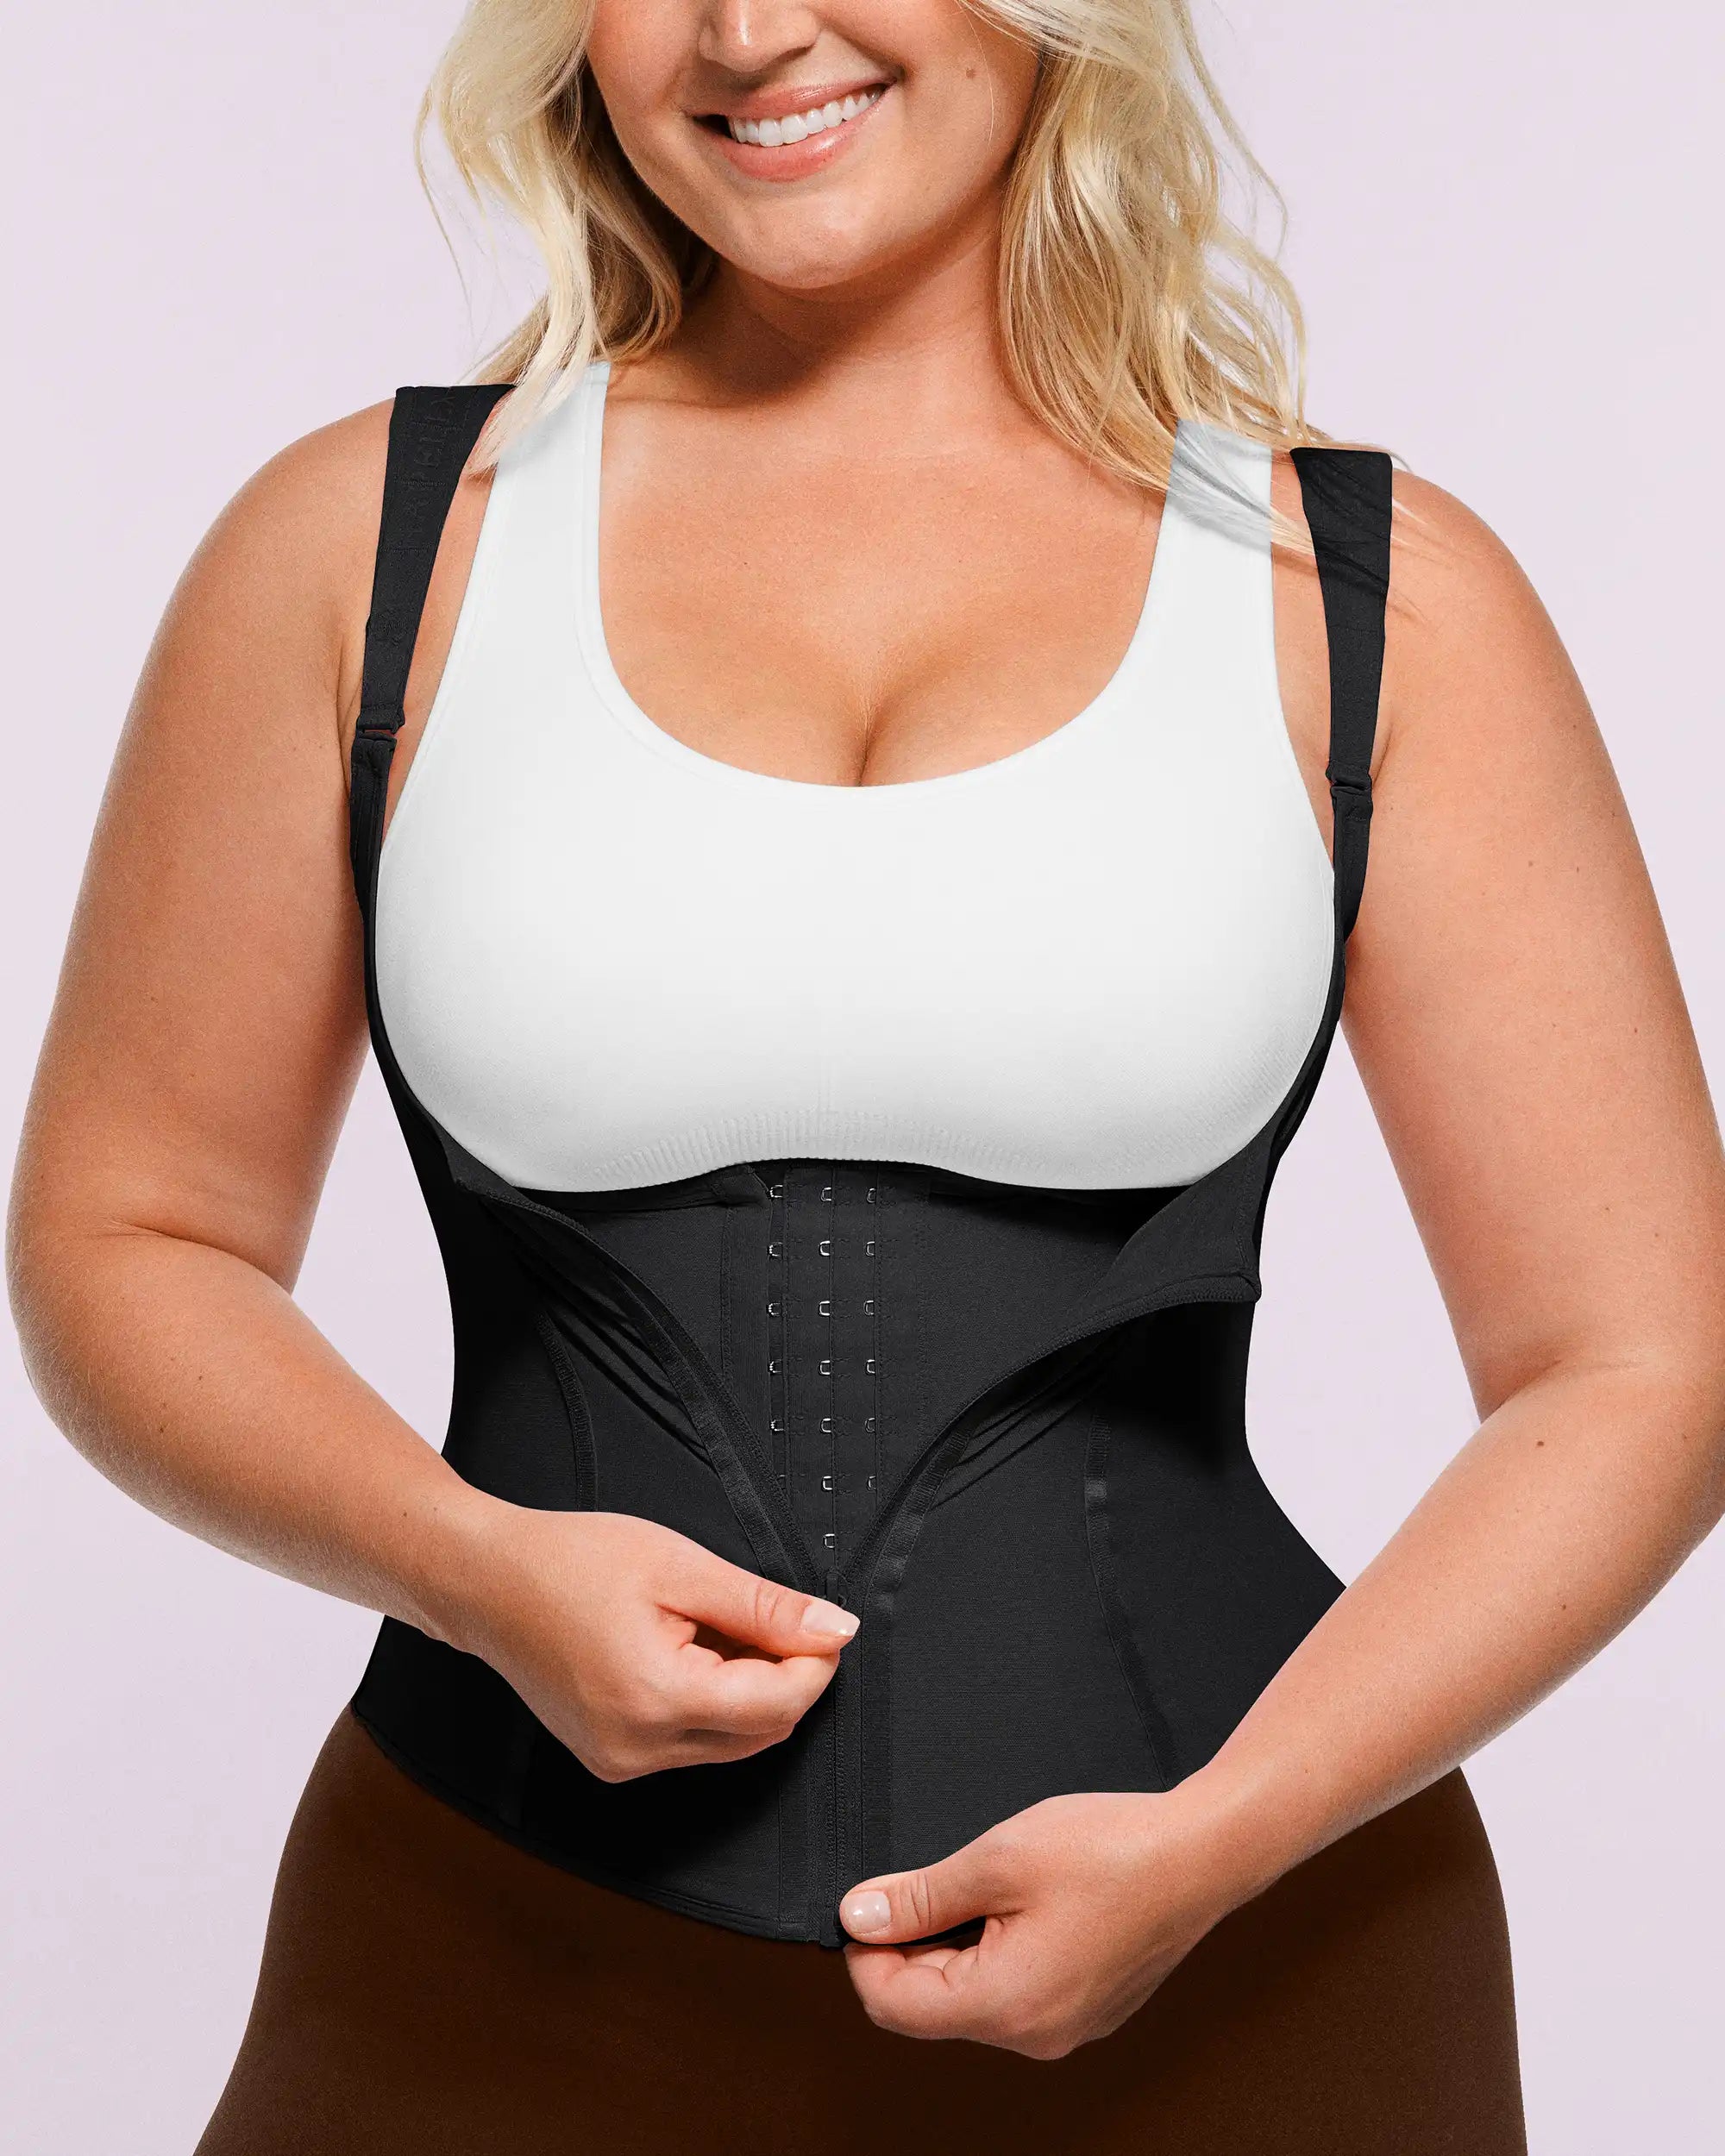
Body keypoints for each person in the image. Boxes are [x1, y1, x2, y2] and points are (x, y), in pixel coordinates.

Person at [9, 3, 1725, 2151]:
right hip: (486, 1942)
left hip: (1252, 1969)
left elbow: (1636, 1360)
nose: (749, 31)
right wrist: (466, 1564)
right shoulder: (372, 551)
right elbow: (128, 1232)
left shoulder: (1358, 597)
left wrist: (1219, 1835)